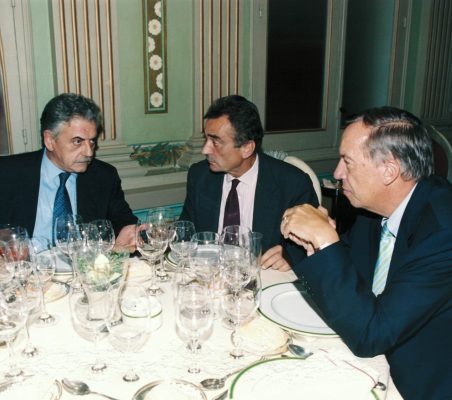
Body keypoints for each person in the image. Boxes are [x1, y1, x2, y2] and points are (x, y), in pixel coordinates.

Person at [281, 106, 452, 399]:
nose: (337, 173)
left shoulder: (443, 234)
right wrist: (310, 241)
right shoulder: (376, 208)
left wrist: (325, 241)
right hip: (374, 357)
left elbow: (371, 336)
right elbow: (349, 268)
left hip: (415, 383)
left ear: (389, 170)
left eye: (347, 162)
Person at [179, 95, 319, 270]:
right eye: (206, 139)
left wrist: (289, 257)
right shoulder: (200, 176)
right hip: (210, 278)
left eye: (215, 142)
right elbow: (185, 233)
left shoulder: (292, 184)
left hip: (264, 278)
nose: (205, 149)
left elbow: (315, 243)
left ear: (247, 148)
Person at [0, 93, 137, 249]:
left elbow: (125, 224)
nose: (89, 152)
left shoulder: (104, 176)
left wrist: (132, 234)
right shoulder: (7, 174)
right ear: (50, 140)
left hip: (83, 263)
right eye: (77, 141)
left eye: (92, 141)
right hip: (25, 263)